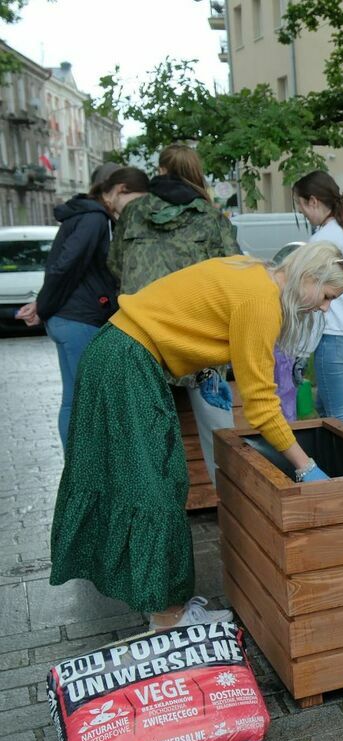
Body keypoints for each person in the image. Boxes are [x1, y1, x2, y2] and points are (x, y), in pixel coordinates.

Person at [50, 242, 343, 629]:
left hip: (117, 352)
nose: (326, 307)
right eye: (327, 296)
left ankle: (162, 602)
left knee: (145, 480)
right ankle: (168, 617)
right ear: (308, 278)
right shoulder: (262, 300)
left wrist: (207, 370)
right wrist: (305, 467)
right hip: (126, 362)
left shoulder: (252, 269)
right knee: (155, 486)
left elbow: (196, 314)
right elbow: (261, 405)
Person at [109, 144, 243, 485]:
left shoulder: (133, 213)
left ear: (161, 170)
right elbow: (236, 273)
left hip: (140, 335)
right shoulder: (212, 219)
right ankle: (233, 505)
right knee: (219, 432)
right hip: (199, 336)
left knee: (142, 436)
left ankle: (149, 512)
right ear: (196, 173)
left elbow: (114, 264)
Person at [20, 169, 148, 448]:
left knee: (74, 398)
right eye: (136, 199)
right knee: (88, 400)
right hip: (79, 319)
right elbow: (66, 264)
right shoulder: (94, 218)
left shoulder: (84, 215)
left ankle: (76, 466)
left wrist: (45, 305)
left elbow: (67, 265)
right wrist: (43, 305)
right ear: (120, 190)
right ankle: (83, 470)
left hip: (69, 317)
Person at [292, 170, 343, 426]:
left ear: (313, 201)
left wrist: (299, 350)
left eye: (301, 206)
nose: (303, 213)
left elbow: (307, 295)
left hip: (337, 337)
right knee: (324, 404)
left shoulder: (322, 239)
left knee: (339, 417)